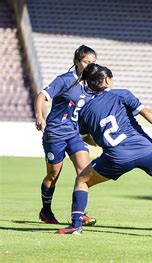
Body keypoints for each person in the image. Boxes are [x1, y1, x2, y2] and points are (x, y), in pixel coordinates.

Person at [56, 63, 152, 235]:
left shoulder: (85, 110)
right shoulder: (122, 94)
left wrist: (99, 142)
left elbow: (86, 137)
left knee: (82, 181)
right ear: (107, 80)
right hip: (143, 148)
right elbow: (146, 113)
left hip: (116, 156)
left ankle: (76, 225)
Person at [34, 45, 97, 225]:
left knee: (85, 173)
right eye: (86, 61)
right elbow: (41, 96)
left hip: (75, 134)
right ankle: (45, 211)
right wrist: (40, 116)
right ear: (77, 62)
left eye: (93, 62)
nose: (90, 65)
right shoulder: (65, 80)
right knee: (53, 175)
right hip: (55, 133)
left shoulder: (91, 84)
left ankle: (80, 213)